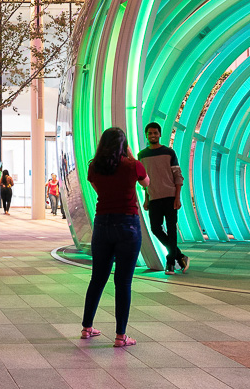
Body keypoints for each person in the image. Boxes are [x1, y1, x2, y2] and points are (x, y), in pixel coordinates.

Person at [81, 126, 149, 348]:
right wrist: (130, 157)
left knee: (97, 279)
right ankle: (120, 336)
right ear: (124, 145)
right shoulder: (133, 165)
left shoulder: (94, 167)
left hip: (103, 224)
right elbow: (146, 182)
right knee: (123, 282)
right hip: (127, 225)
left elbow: (99, 190)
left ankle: (87, 328)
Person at [137, 122, 189, 275]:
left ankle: (170, 262)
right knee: (155, 229)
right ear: (146, 135)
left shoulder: (169, 153)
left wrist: (177, 198)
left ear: (159, 134)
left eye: (155, 133)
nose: (153, 135)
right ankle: (179, 256)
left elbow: (178, 176)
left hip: (170, 197)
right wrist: (146, 199)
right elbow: (145, 180)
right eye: (150, 133)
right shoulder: (142, 155)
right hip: (154, 198)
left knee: (172, 230)